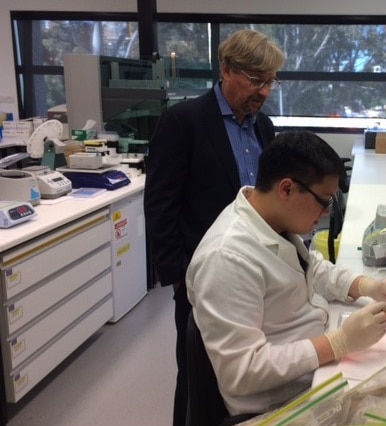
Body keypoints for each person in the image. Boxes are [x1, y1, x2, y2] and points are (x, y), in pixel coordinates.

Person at [186, 130, 386, 419]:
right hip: (279, 408)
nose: (327, 212)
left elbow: (310, 267)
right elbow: (241, 372)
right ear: (287, 189)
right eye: (323, 200)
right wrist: (337, 342)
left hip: (313, 378)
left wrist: (366, 285)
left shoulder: (269, 217)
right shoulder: (226, 258)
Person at [143, 29, 285, 426]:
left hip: (255, 273)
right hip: (200, 276)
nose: (264, 91)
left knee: (243, 374)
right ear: (226, 69)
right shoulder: (184, 121)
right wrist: (176, 278)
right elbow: (159, 204)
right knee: (196, 378)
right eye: (256, 80)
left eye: (270, 81)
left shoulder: (263, 127)